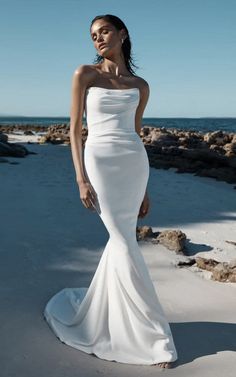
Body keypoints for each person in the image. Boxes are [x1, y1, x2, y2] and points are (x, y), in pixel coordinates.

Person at [44, 14, 178, 369]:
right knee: (122, 239)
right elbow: (75, 130)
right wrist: (80, 178)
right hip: (99, 163)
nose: (98, 38)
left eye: (104, 31)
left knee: (123, 242)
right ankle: (155, 336)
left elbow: (135, 133)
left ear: (122, 34)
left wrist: (145, 189)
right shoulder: (85, 75)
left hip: (133, 163)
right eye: (93, 35)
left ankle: (110, 318)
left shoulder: (141, 85)